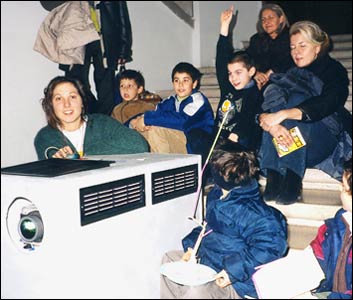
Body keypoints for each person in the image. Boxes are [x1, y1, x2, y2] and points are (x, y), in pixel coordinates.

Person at [160, 144, 288, 299]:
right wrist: (191, 248)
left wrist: (231, 273)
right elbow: (207, 228)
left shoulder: (259, 215)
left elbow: (270, 248)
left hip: (239, 282)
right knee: (170, 260)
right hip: (210, 261)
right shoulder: (217, 195)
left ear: (222, 175)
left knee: (197, 291)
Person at [259, 21, 351, 205]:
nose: (296, 51)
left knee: (296, 99)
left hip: (321, 141)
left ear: (317, 47)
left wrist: (285, 113)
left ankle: (292, 179)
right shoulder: (289, 72)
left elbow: (328, 102)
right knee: (274, 95)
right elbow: (262, 109)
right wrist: (271, 125)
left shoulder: (334, 70)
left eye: (302, 45)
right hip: (283, 144)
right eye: (292, 47)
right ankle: (274, 175)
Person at [34, 1, 133, 115]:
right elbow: (47, 4)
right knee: (76, 84)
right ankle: (87, 118)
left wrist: (124, 51)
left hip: (104, 37)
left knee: (106, 87)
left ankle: (103, 123)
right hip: (76, 36)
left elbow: (122, 16)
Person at [34, 76, 149, 160]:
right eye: (59, 99)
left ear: (82, 101)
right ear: (51, 105)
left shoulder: (102, 122)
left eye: (72, 97)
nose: (67, 104)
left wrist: (88, 153)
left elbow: (140, 144)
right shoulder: (45, 136)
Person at [131, 62, 214, 162]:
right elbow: (155, 113)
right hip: (178, 141)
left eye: (185, 80)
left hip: (195, 147)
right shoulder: (170, 101)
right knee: (145, 128)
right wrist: (134, 122)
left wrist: (147, 119)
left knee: (154, 128)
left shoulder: (198, 100)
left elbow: (182, 121)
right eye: (176, 80)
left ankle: (161, 170)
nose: (180, 84)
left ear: (194, 83)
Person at [215, 6, 263, 152]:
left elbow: (248, 116)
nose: (233, 78)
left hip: (241, 141)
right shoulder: (228, 87)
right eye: (230, 73)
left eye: (238, 72)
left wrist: (236, 134)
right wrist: (224, 26)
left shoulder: (254, 93)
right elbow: (221, 58)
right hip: (221, 138)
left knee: (242, 141)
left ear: (251, 71)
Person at [310, 158, 352, 299]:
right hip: (331, 289)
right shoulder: (341, 219)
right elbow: (321, 248)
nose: (340, 188)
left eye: (344, 186)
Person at [246, 3, 295, 90]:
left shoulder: (292, 37)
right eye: (263, 19)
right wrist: (255, 73)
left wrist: (271, 72)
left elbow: (291, 60)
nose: (266, 22)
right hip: (259, 81)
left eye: (271, 18)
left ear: (281, 19)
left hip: (285, 81)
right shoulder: (256, 39)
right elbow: (247, 58)